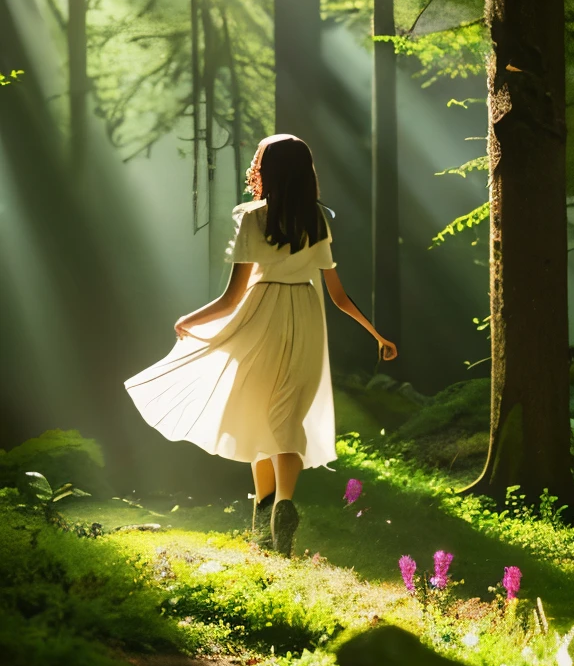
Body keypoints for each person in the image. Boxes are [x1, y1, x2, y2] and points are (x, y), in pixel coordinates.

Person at [125, 134, 397, 557]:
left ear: (265, 170)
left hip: (261, 317)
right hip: (307, 317)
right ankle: (282, 505)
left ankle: (264, 525)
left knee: (258, 418)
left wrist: (188, 320)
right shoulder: (317, 221)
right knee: (288, 418)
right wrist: (377, 334)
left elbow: (232, 297)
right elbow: (339, 296)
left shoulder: (253, 217)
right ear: (307, 172)